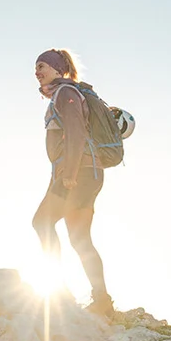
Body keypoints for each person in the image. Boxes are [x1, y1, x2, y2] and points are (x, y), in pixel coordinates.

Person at [32, 48, 115, 318]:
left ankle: (59, 293)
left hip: (79, 173)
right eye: (36, 67)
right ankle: (102, 301)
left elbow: (77, 132)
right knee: (80, 240)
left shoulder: (65, 93)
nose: (37, 71)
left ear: (58, 69)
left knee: (42, 222)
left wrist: (69, 172)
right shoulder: (66, 93)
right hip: (87, 173)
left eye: (42, 65)